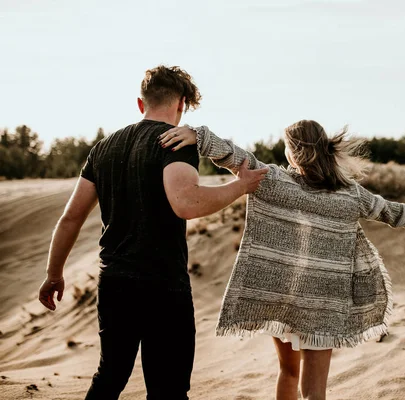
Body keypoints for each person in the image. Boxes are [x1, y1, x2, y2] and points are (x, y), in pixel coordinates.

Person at [158, 120, 405, 400]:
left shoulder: (273, 180)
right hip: (323, 304)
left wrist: (199, 136)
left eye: (286, 147)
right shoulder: (351, 194)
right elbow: (391, 211)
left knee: (288, 372)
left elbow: (236, 157)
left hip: (284, 299)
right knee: (315, 394)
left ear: (295, 153)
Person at [37, 65, 268, 400]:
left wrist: (54, 273)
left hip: (114, 282)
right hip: (162, 285)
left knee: (110, 376)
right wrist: (240, 186)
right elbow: (186, 203)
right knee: (168, 389)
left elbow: (71, 217)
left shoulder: (102, 148)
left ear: (140, 103)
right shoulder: (175, 141)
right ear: (182, 103)